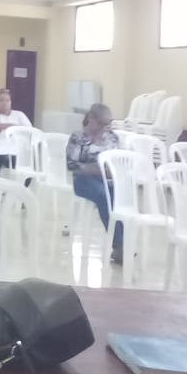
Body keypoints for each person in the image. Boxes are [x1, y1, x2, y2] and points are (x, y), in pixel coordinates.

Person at [67, 103, 124, 264]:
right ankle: (119, 245)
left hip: (108, 179)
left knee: (119, 197)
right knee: (103, 195)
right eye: (101, 123)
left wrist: (112, 170)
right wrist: (92, 169)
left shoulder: (112, 137)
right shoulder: (78, 137)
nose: (104, 128)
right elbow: (71, 165)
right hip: (84, 180)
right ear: (91, 118)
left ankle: (123, 244)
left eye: (108, 124)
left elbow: (119, 160)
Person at [0, 88, 32, 176]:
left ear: (11, 102)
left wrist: (3, 128)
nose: (4, 103)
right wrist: (13, 127)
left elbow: (28, 130)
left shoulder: (19, 115)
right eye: (1, 100)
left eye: (7, 100)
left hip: (16, 147)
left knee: (24, 157)